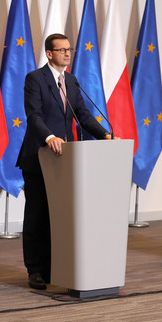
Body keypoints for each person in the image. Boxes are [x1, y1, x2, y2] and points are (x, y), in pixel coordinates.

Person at [16, 33, 113, 290]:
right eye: (62, 50)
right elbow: (33, 116)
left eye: (69, 50)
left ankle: (52, 267)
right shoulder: (35, 78)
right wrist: (49, 137)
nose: (67, 54)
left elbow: (82, 115)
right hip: (40, 156)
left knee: (57, 216)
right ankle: (35, 270)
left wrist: (105, 135)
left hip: (65, 159)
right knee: (36, 215)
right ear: (49, 53)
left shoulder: (70, 80)